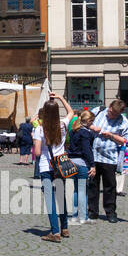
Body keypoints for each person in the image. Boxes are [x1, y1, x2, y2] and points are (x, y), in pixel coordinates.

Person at [34, 94, 76, 242]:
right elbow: (71, 112)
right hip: (61, 165)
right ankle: (64, 228)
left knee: (50, 199)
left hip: (46, 167)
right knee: (61, 197)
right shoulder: (63, 124)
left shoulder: (39, 129)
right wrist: (59, 98)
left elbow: (38, 152)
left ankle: (55, 232)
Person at [88, 98, 128, 224]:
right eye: (110, 111)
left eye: (113, 114)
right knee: (92, 184)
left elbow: (126, 141)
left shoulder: (124, 123)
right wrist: (93, 127)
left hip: (110, 158)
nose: (109, 114)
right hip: (93, 155)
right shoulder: (99, 111)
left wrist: (112, 135)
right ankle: (93, 211)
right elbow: (85, 122)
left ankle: (110, 212)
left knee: (110, 186)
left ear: (119, 114)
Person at [67, 110, 96, 224]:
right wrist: (92, 165)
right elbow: (87, 150)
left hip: (72, 162)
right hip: (82, 163)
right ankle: (83, 217)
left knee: (76, 190)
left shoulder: (74, 131)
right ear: (88, 121)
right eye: (92, 121)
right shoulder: (85, 133)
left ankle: (74, 215)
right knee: (83, 191)